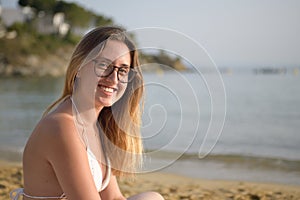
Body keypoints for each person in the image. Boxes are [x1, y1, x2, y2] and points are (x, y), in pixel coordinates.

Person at [10, 26, 164, 200]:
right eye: (104, 65)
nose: (113, 79)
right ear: (79, 68)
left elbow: (113, 197)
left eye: (122, 70)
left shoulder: (95, 124)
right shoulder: (60, 127)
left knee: (152, 198)